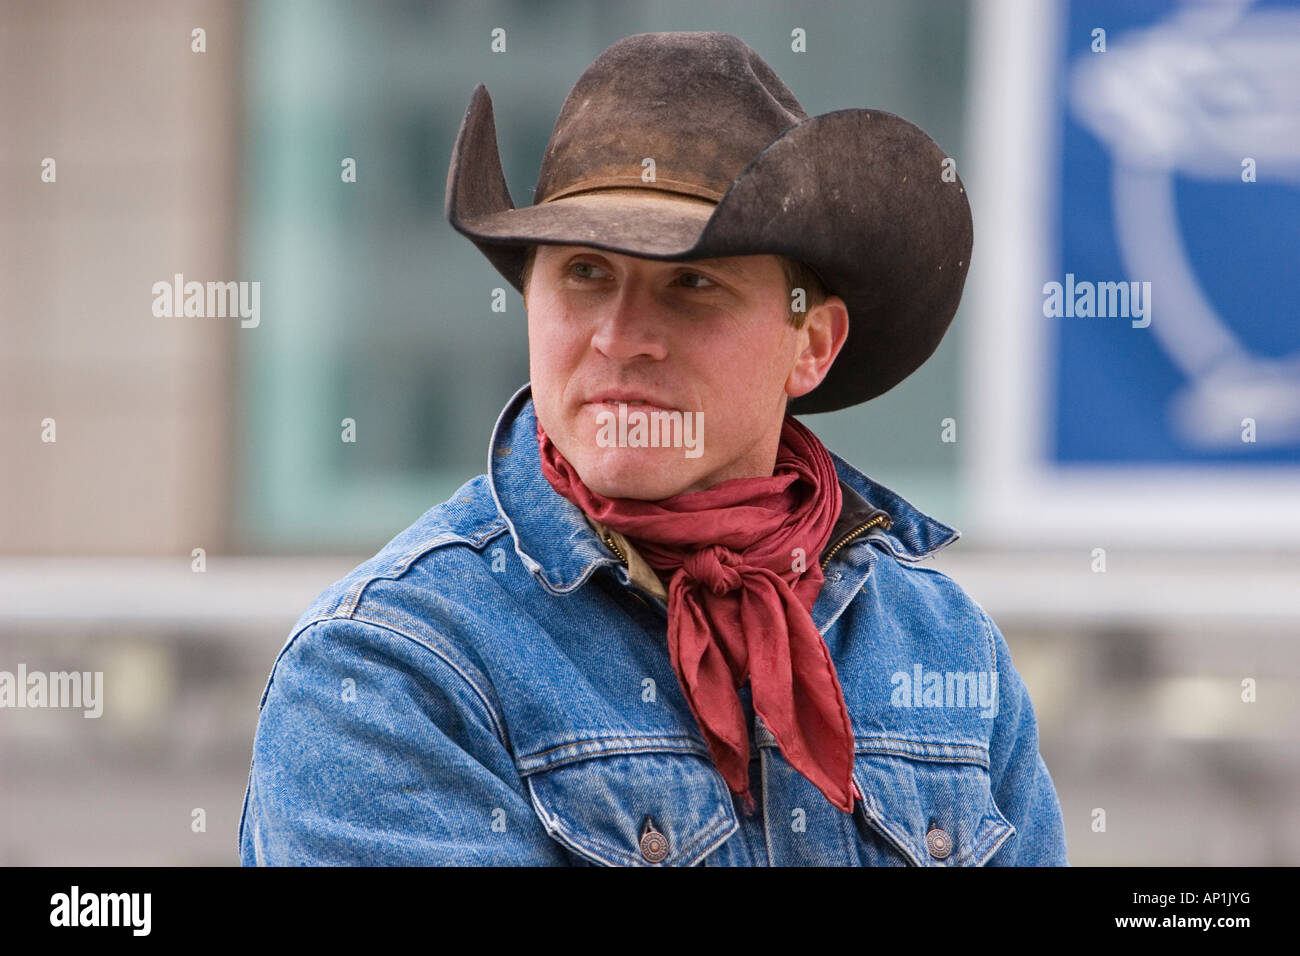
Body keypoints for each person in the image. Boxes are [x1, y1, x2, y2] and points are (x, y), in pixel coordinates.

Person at [238, 31, 1069, 866]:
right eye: (586, 274)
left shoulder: (949, 648)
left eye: (692, 284)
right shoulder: (390, 667)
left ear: (810, 344)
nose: (621, 337)